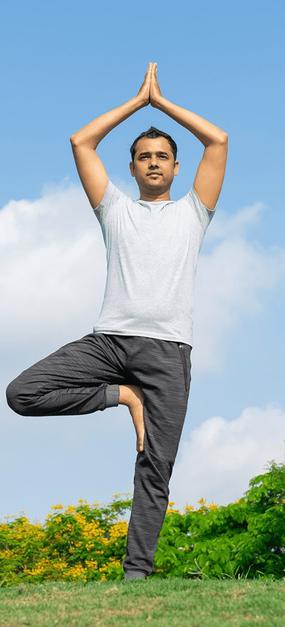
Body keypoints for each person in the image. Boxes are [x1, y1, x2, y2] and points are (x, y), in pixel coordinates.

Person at [5, 62, 228, 581]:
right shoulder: (115, 210)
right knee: (21, 393)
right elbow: (81, 141)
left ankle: (135, 578)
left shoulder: (194, 212)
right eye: (144, 157)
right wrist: (136, 103)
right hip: (108, 343)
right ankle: (122, 395)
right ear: (131, 168)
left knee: (155, 465)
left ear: (175, 167)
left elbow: (217, 141)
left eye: (162, 157)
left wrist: (162, 102)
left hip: (168, 353)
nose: (153, 163)